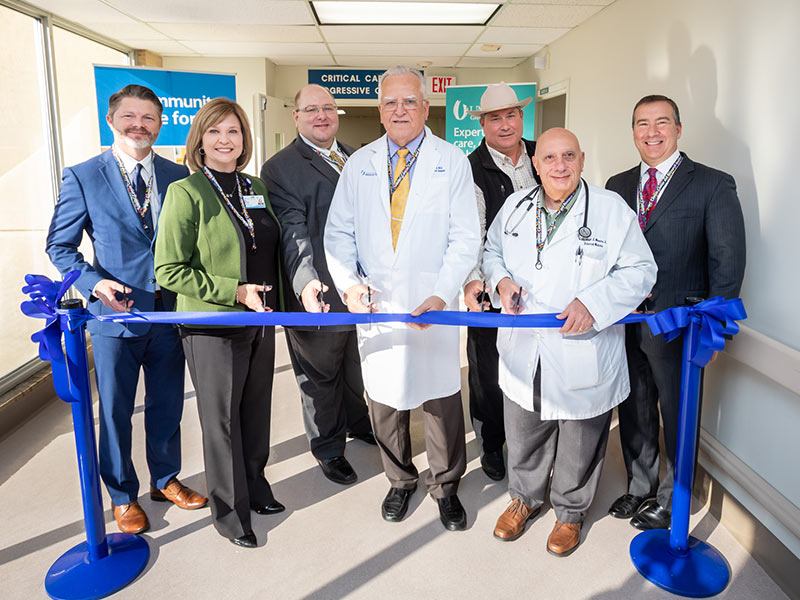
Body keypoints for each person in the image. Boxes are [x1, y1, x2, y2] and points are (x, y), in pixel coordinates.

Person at [482, 127, 657, 556]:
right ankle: (524, 499)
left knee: (581, 438)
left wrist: (593, 303)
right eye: (549, 158)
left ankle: (569, 512)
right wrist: (500, 281)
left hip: (583, 346)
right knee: (523, 429)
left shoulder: (611, 211)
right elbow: (491, 253)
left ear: (582, 159)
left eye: (568, 156)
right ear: (535, 163)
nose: (559, 166)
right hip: (524, 345)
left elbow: (640, 270)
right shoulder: (515, 207)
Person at [324, 66, 480, 531]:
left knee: (440, 401)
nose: (399, 110)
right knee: (386, 402)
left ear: (425, 106)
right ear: (379, 110)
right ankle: (400, 480)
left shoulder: (452, 161)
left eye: (409, 101)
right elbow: (338, 233)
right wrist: (349, 284)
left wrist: (441, 291)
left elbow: (465, 237)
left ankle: (446, 485)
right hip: (378, 303)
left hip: (433, 302)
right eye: (390, 102)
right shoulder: (359, 164)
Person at [46, 84, 206, 535]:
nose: (140, 126)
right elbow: (60, 246)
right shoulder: (83, 175)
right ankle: (121, 494)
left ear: (160, 124)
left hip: (169, 314)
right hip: (114, 317)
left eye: (149, 119)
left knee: (168, 403)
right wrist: (95, 285)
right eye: (130, 117)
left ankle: (164, 479)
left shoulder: (178, 176)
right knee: (115, 411)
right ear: (112, 121)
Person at [606, 95, 746, 530]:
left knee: (678, 414)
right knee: (634, 407)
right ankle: (639, 485)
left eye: (662, 122)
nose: (652, 132)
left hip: (682, 325)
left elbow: (728, 259)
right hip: (627, 323)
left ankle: (672, 497)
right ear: (632, 132)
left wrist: (716, 328)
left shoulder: (711, 184)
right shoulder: (616, 185)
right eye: (642, 124)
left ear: (679, 129)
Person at [154, 98, 285, 548]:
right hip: (212, 325)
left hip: (260, 322)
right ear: (200, 142)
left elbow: (267, 248)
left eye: (233, 131)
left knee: (255, 412)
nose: (225, 140)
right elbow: (168, 270)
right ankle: (230, 512)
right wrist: (236, 291)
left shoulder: (254, 187)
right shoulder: (186, 193)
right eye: (215, 132)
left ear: (245, 139)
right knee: (223, 422)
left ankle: (256, 487)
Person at [261, 84, 375, 487]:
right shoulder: (280, 168)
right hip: (319, 294)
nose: (321, 115)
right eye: (311, 109)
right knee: (320, 378)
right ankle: (328, 449)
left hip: (361, 292)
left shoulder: (357, 157)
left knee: (355, 367)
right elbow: (294, 233)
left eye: (328, 108)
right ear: (296, 117)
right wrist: (307, 281)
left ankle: (359, 423)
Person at [463, 82, 540, 481]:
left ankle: (530, 443)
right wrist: (477, 283)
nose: (506, 124)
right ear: (483, 124)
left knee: (535, 367)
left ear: (521, 117)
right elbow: (469, 233)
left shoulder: (542, 154)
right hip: (492, 290)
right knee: (488, 373)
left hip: (541, 289)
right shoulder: (471, 167)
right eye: (496, 117)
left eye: (512, 115)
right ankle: (491, 443)